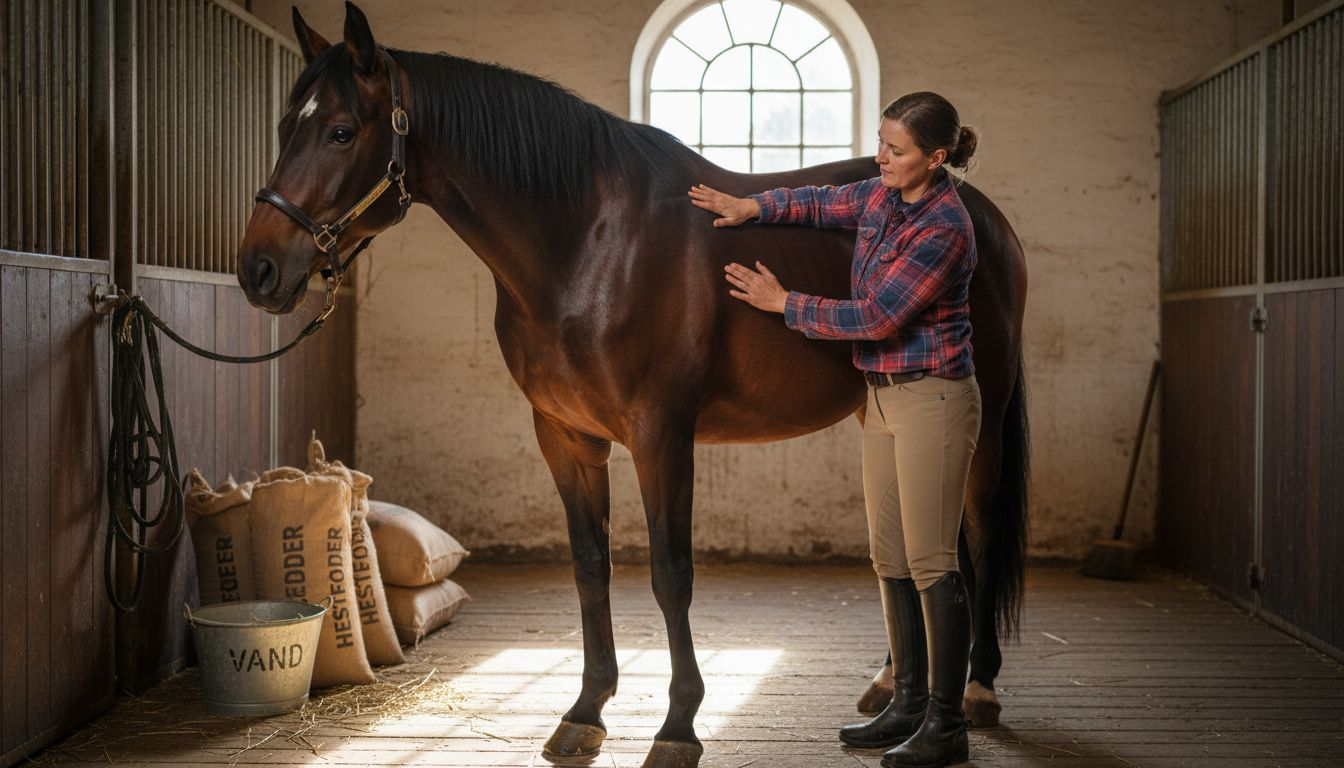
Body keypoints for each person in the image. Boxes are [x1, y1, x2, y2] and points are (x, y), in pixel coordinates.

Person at [688, 91, 982, 768]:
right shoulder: (882, 197)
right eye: (880, 142)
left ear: (935, 159)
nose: (881, 158)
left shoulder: (944, 228)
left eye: (897, 150)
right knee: (889, 556)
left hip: (932, 397)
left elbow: (877, 317)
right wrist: (751, 206)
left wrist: (783, 302)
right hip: (881, 399)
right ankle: (907, 703)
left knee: (934, 561)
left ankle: (947, 723)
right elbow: (823, 201)